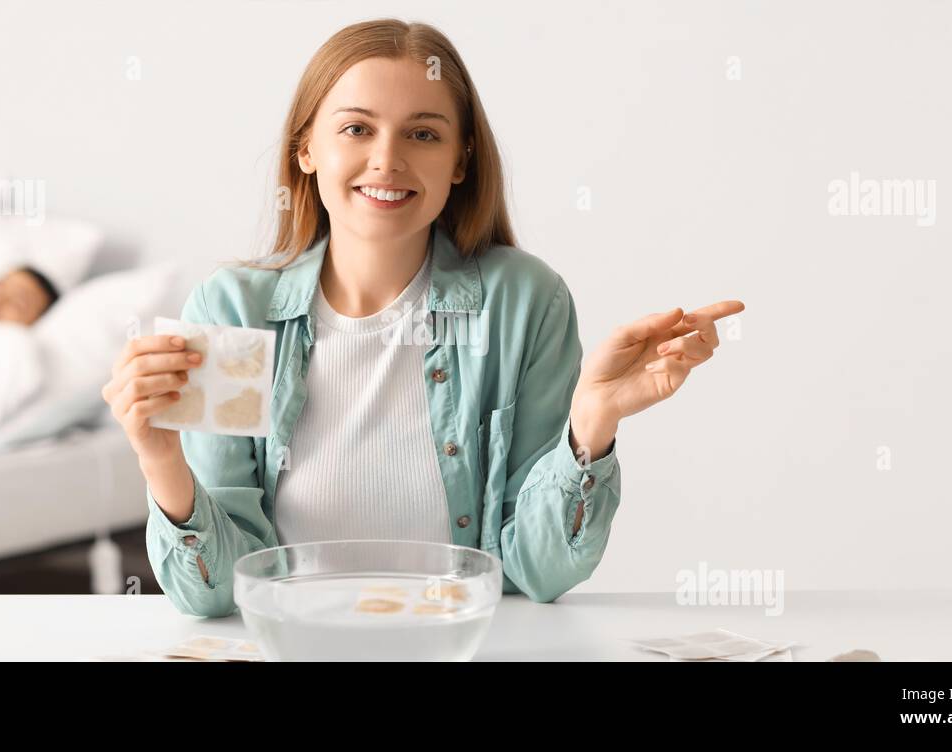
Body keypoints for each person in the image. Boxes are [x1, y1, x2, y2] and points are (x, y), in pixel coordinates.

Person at [101, 19, 744, 618]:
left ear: (460, 161)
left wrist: (592, 424)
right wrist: (162, 461)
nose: (388, 159)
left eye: (423, 133)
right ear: (306, 150)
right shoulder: (232, 310)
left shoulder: (525, 301)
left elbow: (538, 574)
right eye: (357, 129)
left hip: (460, 642)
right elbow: (214, 594)